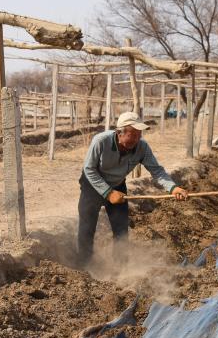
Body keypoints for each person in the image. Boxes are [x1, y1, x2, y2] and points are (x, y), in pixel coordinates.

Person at [78, 111, 188, 263]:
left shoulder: (142, 147)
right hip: (93, 185)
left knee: (121, 229)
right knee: (87, 226)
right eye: (133, 135)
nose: (136, 139)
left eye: (139, 135)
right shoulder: (101, 141)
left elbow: (156, 170)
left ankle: (121, 266)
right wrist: (108, 193)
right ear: (119, 133)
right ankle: (84, 265)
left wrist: (173, 188)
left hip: (117, 185)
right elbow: (89, 169)